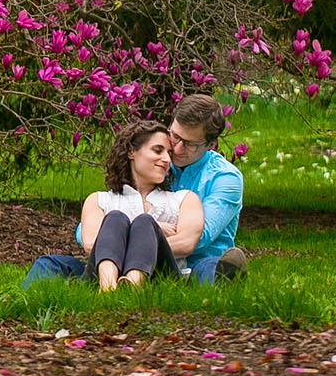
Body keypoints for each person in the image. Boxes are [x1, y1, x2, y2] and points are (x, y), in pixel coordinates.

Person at [21, 93, 248, 286]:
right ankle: (22, 304)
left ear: (210, 145)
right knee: (53, 263)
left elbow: (199, 237)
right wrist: (121, 231)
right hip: (118, 258)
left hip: (187, 262)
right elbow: (100, 222)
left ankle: (223, 280)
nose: (175, 150)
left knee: (207, 267)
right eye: (174, 136)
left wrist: (140, 233)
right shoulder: (154, 163)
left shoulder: (224, 178)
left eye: (188, 144)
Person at [79, 120, 200, 289]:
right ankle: (108, 288)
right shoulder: (99, 200)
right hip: (99, 276)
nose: (166, 159)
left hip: (160, 279)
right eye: (158, 150)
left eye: (169, 153)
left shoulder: (184, 199)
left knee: (144, 222)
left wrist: (149, 229)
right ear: (131, 151)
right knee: (115, 218)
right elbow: (91, 244)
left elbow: (185, 243)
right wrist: (153, 230)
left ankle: (133, 285)